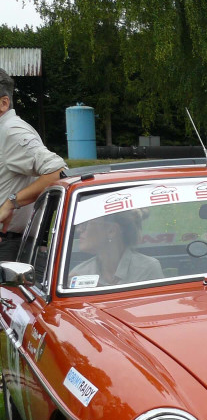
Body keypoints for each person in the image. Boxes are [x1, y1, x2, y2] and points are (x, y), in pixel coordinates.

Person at [0, 68, 67, 260]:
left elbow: (57, 171)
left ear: (4, 103)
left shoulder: (12, 131)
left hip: (8, 245)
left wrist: (11, 202)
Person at [69, 210, 163, 287]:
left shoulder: (147, 268)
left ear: (111, 231)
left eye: (85, 224)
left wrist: (96, 288)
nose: (79, 230)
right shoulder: (78, 273)